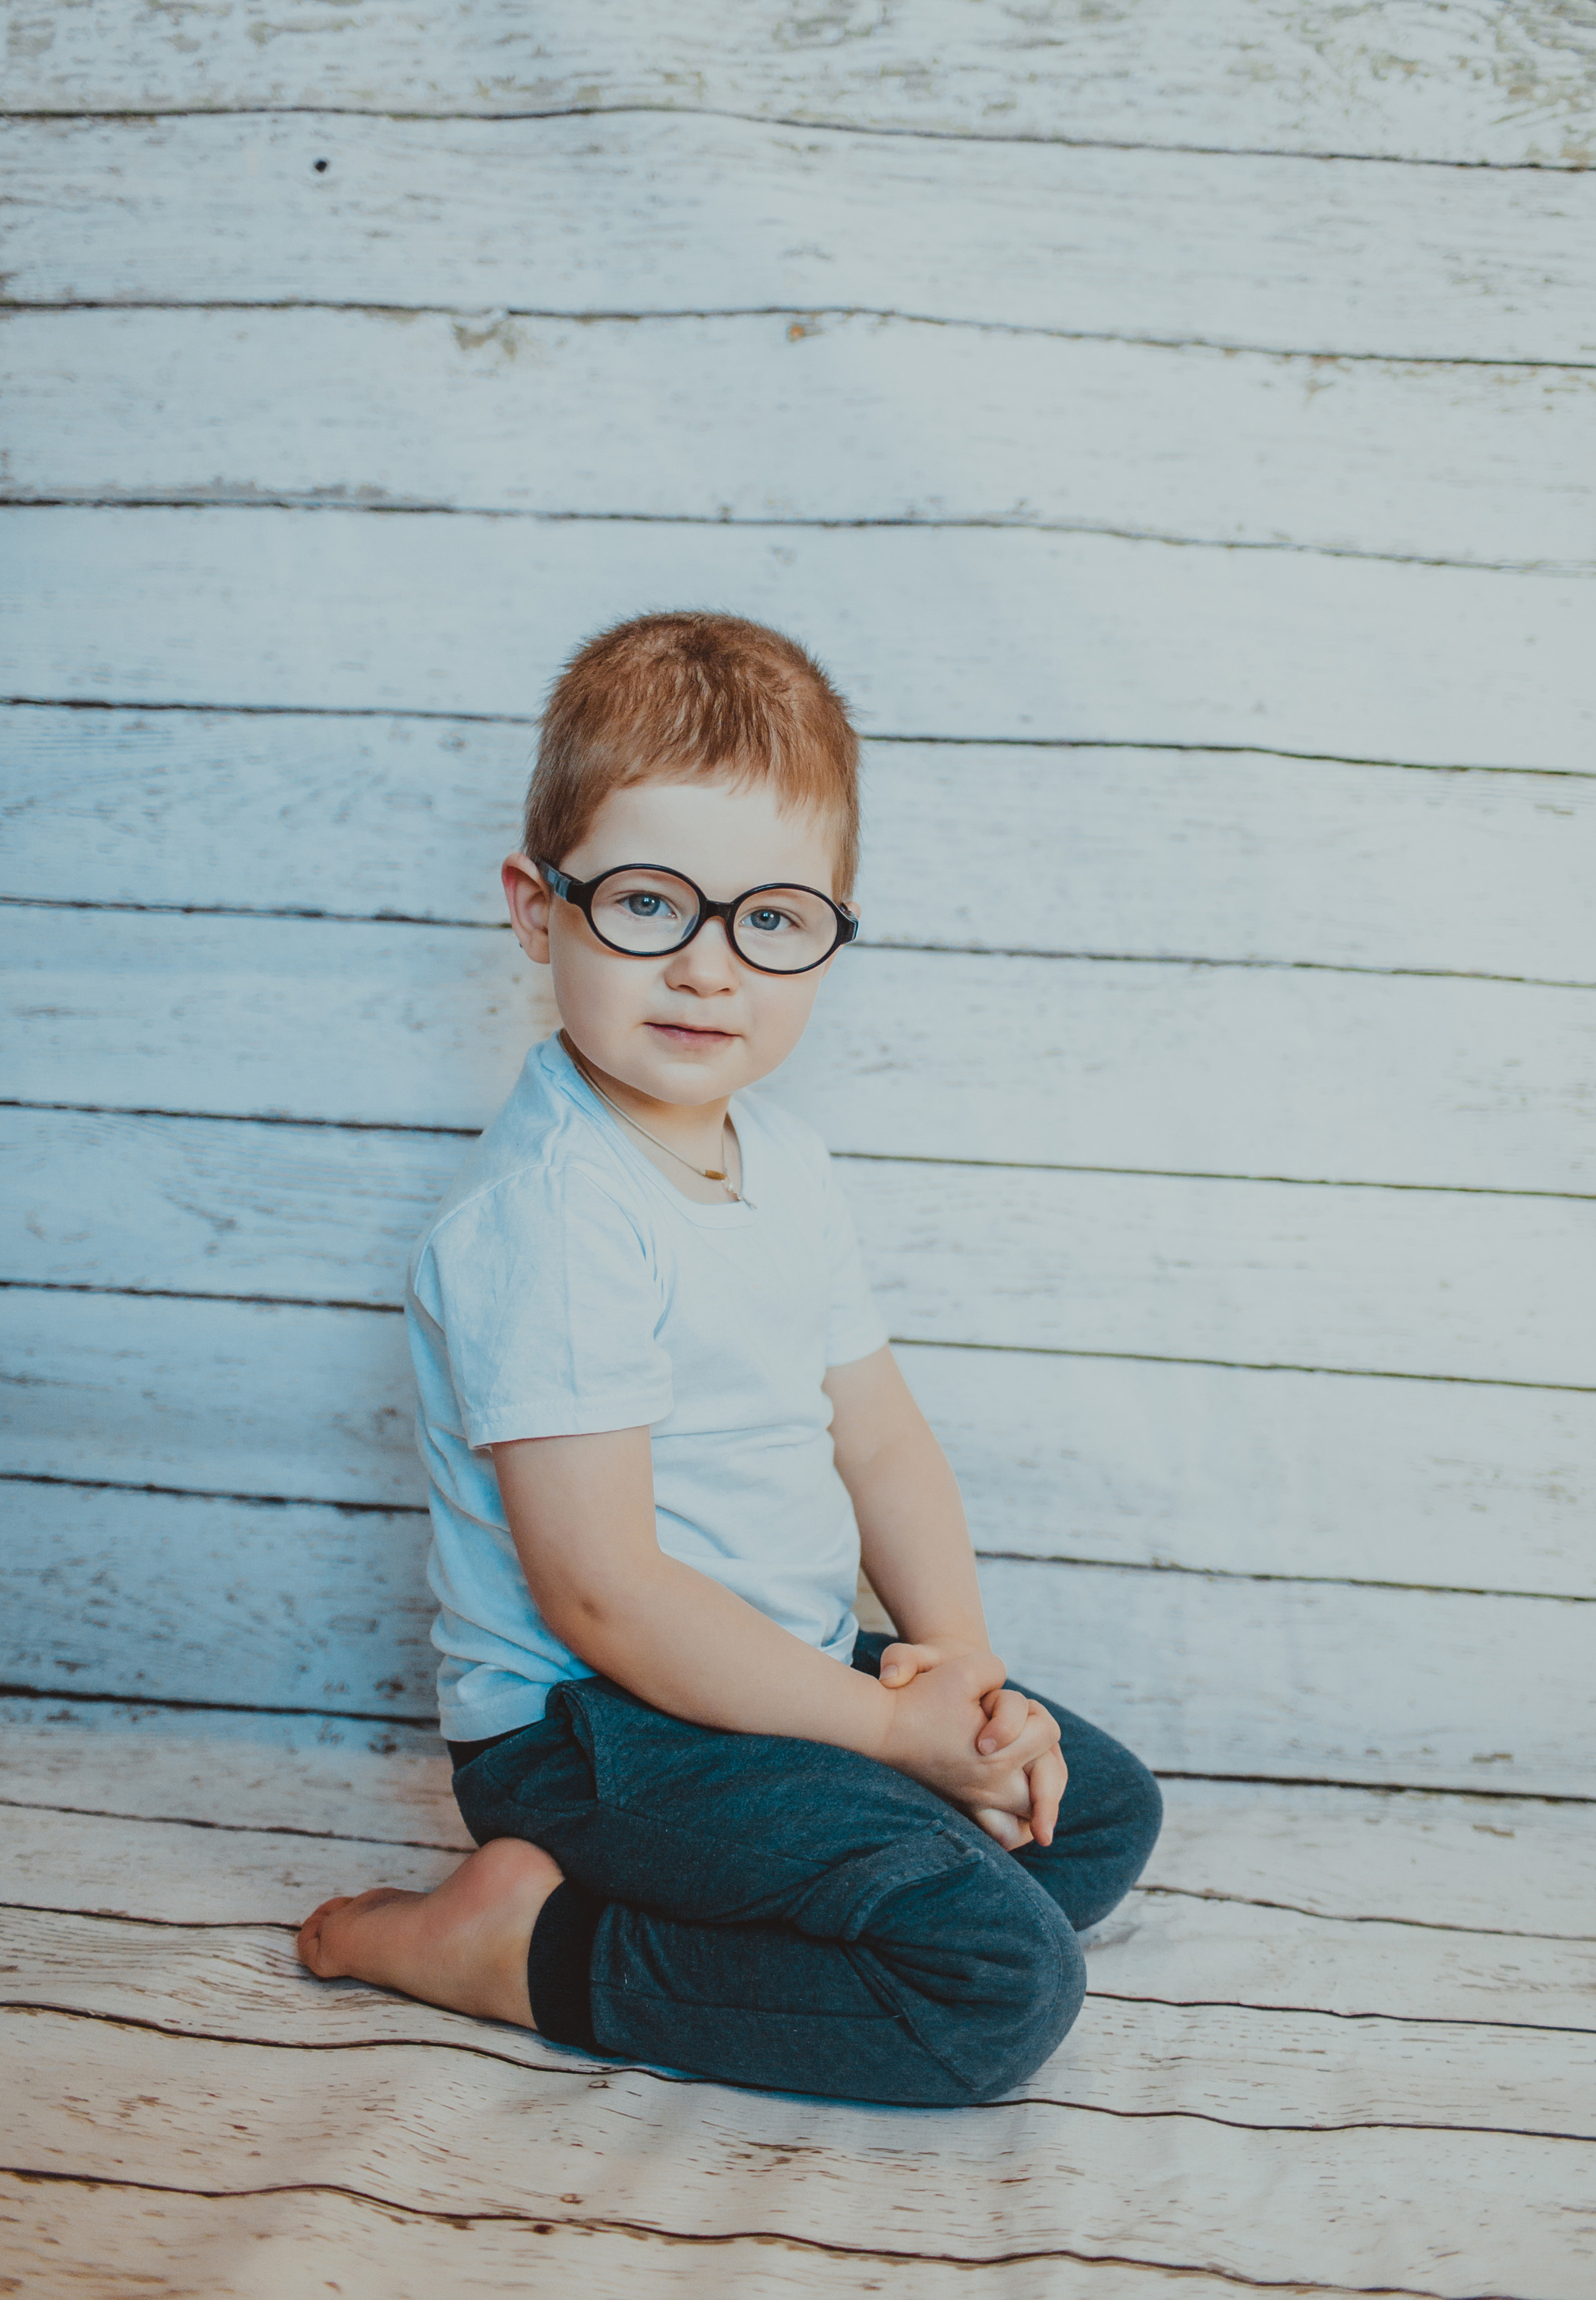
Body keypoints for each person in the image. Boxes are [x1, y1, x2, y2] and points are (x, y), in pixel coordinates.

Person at [298, 611, 1161, 2104]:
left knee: (1091, 1814)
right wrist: (886, 1730)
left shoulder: (784, 1161)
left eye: (770, 919)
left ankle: (761, 1887)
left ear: (830, 929)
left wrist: (956, 1666)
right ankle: (520, 1946)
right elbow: (604, 1594)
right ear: (538, 910)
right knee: (993, 1984)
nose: (709, 970)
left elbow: (876, 1434)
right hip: (594, 1729)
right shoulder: (553, 1217)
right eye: (649, 904)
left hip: (779, 1666)